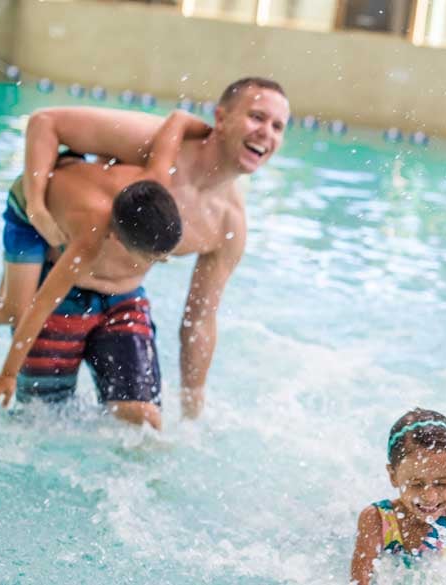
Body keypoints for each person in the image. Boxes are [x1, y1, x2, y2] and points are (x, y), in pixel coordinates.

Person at [17, 77, 290, 419]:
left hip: (124, 300)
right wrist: (34, 206)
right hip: (58, 289)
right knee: (40, 420)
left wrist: (193, 404)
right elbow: (45, 122)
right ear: (220, 118)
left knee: (144, 423)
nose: (267, 132)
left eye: (278, 126)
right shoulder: (155, 142)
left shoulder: (227, 224)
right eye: (256, 117)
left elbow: (200, 318)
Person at [0, 111, 195, 428]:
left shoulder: (155, 181)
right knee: (14, 310)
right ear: (118, 240)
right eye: (152, 257)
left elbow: (178, 120)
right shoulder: (90, 239)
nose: (156, 263)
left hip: (73, 179)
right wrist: (8, 373)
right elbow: (43, 304)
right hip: (30, 213)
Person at [350, 405, 446, 585]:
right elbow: (359, 581)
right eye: (416, 484)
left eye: (442, 483)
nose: (429, 497)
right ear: (393, 476)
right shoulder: (377, 519)